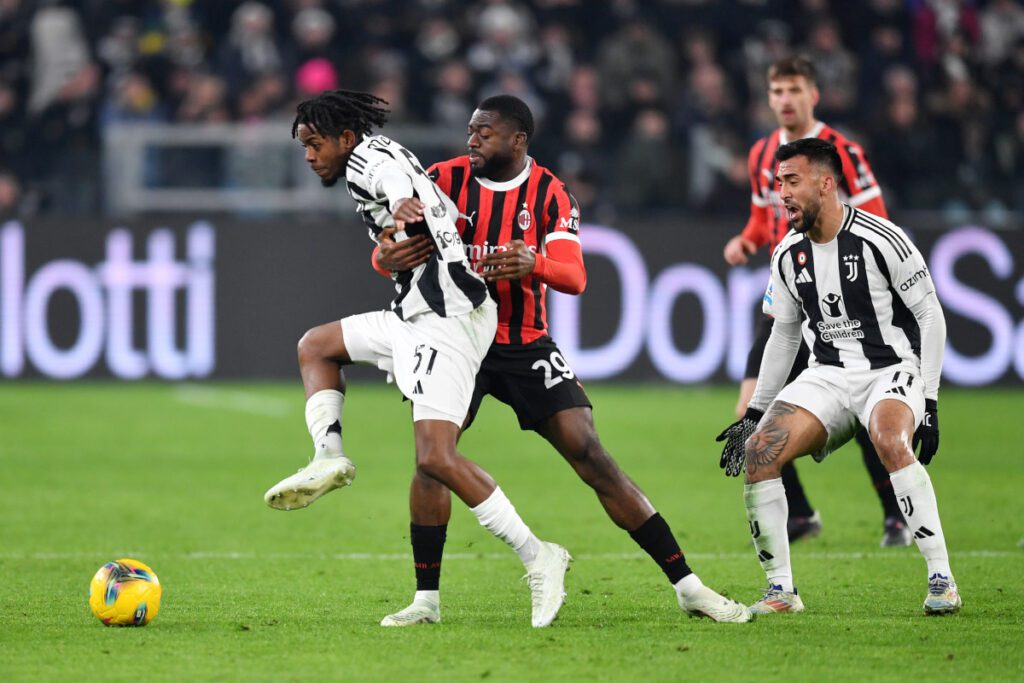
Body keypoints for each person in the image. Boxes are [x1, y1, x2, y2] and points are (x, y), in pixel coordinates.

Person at [371, 95, 751, 626]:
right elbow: (384, 249)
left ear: (517, 139)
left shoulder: (550, 193)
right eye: (470, 131)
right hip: (455, 339)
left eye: (484, 132)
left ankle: (689, 587)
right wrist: (386, 254)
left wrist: (535, 261)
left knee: (591, 454)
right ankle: (426, 601)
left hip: (524, 341)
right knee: (433, 460)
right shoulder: (440, 179)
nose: (472, 139)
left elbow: (575, 277)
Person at [263, 89, 571, 628]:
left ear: (345, 138)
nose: (310, 156)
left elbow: (398, 189)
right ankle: (328, 457)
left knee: (435, 458)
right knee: (316, 346)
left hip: (446, 321)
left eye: (315, 144)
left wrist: (407, 207)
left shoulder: (369, 162)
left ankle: (538, 554)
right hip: (414, 314)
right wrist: (401, 238)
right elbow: (441, 207)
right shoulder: (389, 150)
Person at [717, 137, 960, 616]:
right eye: (777, 183)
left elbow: (930, 315)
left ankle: (941, 578)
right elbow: (783, 336)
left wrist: (928, 401)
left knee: (890, 439)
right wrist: (758, 412)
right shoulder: (786, 253)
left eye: (792, 181)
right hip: (826, 374)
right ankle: (781, 591)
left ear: (826, 184)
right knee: (759, 451)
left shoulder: (882, 239)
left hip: (887, 370)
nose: (781, 194)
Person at [722, 56, 910, 547]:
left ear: (814, 94)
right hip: (788, 302)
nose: (785, 99)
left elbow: (878, 224)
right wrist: (745, 240)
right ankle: (801, 514)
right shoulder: (761, 152)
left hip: (841, 304)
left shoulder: (842, 151)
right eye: (777, 91)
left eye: (794, 89)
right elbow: (761, 220)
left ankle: (896, 515)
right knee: (750, 411)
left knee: (870, 406)